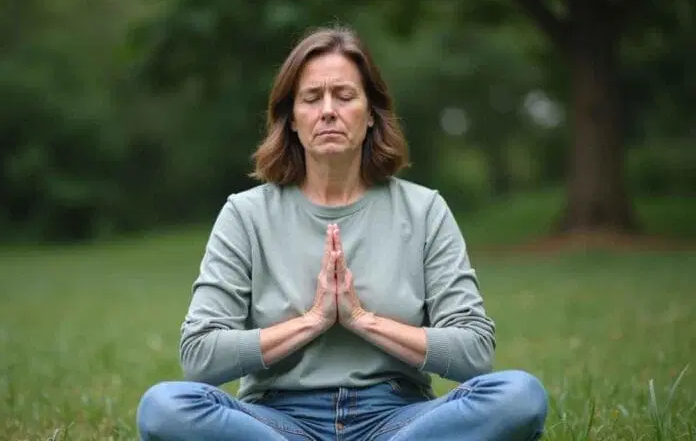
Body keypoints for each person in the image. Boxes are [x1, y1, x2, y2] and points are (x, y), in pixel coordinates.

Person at [136, 25, 549, 441]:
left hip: (397, 420)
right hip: (276, 422)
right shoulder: (245, 214)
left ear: (370, 114)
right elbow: (199, 357)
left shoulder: (424, 210)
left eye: (345, 96)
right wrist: (314, 321)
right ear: (292, 120)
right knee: (164, 407)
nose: (328, 111)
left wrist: (362, 320)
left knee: (519, 395)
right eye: (312, 98)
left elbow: (475, 353)